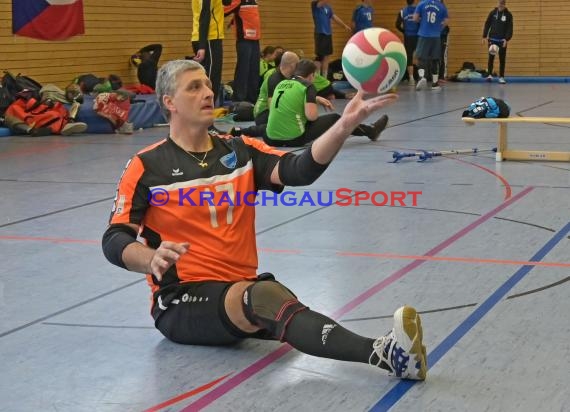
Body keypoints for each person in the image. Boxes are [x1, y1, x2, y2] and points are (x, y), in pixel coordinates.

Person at [101, 58, 427, 381]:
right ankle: (386, 354)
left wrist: (342, 126)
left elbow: (299, 169)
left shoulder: (241, 151)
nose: (208, 93)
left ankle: (386, 353)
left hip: (237, 286)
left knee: (272, 296)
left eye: (209, 85)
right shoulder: (146, 166)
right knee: (266, 298)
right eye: (194, 87)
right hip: (180, 300)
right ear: (169, 102)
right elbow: (115, 238)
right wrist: (149, 258)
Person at [263, 59, 389, 147]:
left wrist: (314, 98)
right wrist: (312, 101)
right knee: (334, 118)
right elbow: (311, 117)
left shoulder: (282, 83)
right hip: (294, 139)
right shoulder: (307, 86)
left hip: (271, 138)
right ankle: (371, 130)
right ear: (312, 75)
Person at [191, 0, 231, 106]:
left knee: (215, 77)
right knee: (210, 78)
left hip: (213, 38)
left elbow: (227, 2)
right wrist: (202, 46)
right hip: (208, 38)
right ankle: (205, 110)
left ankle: (208, 111)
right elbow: (205, 16)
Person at [224, 0, 262, 104]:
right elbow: (223, 10)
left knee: (254, 70)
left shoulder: (253, 1)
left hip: (255, 39)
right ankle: (238, 99)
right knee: (243, 69)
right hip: (244, 40)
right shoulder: (237, 1)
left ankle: (252, 99)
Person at [413, 0, 449, 91]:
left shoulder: (421, 4)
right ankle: (435, 84)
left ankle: (422, 77)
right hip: (436, 36)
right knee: (435, 59)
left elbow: (415, 18)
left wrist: (422, 21)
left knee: (421, 57)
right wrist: (439, 29)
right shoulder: (441, 6)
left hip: (424, 34)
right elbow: (446, 21)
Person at [311, 0, 351, 78]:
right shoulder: (315, 4)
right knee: (319, 57)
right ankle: (317, 78)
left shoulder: (328, 7)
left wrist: (344, 26)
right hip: (320, 34)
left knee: (327, 56)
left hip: (328, 34)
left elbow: (334, 17)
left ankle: (324, 78)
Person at [482, 0, 513, 84]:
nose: (501, 5)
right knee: (491, 58)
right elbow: (487, 24)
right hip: (492, 40)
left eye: (503, 3)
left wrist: (506, 39)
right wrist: (484, 36)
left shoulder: (508, 15)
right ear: (498, 3)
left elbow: (510, 28)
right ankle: (489, 75)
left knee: (502, 59)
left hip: (502, 41)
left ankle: (501, 77)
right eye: (500, 3)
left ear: (505, 4)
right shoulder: (492, 13)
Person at [395, 0, 419, 85]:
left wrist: (404, 31)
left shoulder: (402, 11)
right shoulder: (418, 9)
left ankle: (411, 78)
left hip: (408, 36)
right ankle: (420, 77)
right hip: (418, 36)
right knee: (418, 56)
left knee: (409, 56)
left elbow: (397, 25)